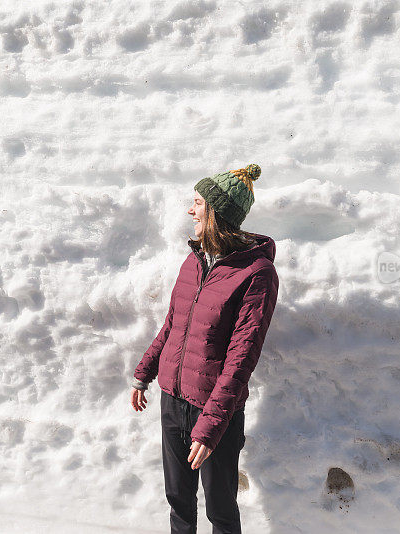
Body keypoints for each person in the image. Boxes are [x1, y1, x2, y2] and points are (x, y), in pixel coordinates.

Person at [130, 163, 279, 534]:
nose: (190, 210)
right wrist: (144, 373)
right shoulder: (193, 261)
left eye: (197, 203)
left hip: (217, 412)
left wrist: (211, 425)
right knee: (178, 502)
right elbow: (172, 325)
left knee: (220, 510)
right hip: (173, 401)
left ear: (217, 212)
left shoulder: (257, 273)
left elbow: (241, 359)